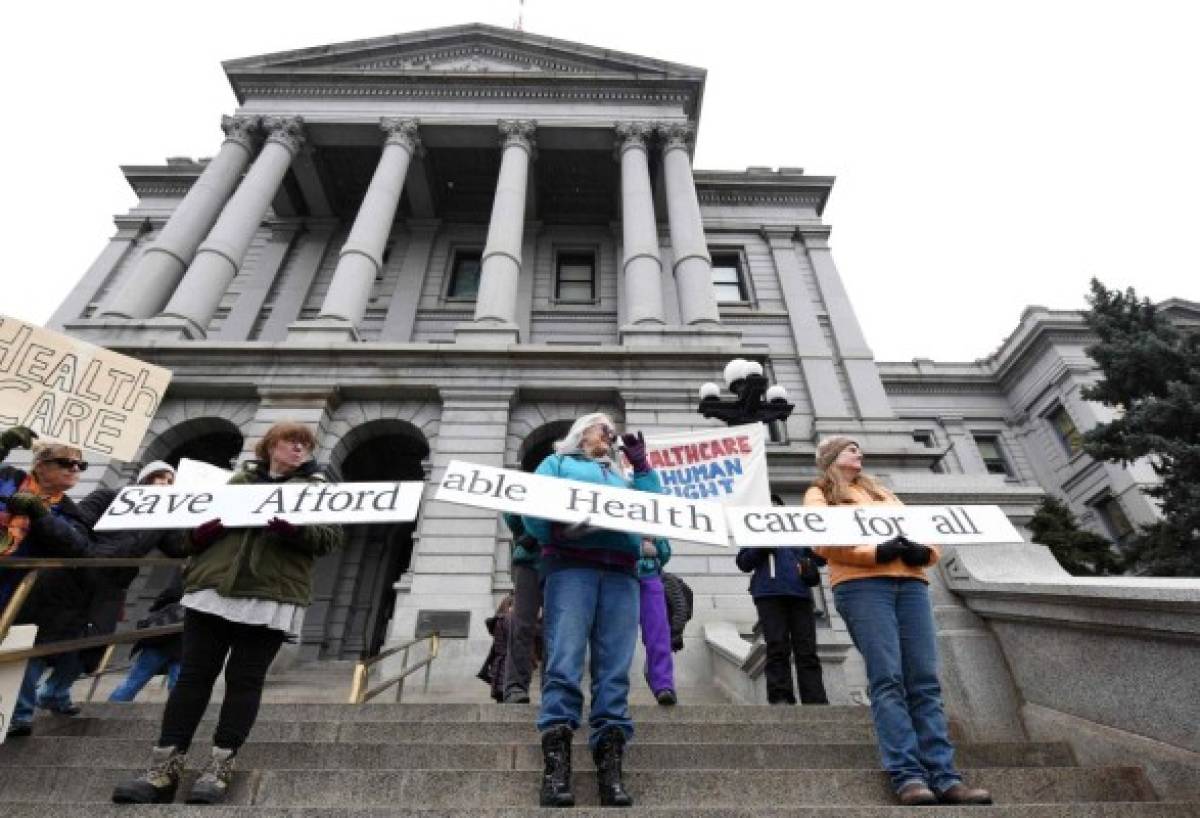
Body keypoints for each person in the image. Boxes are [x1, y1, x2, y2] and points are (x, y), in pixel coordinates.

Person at [112, 422, 344, 805]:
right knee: (192, 677)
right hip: (212, 591)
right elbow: (183, 537)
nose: (299, 449)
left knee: (244, 681)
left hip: (271, 594)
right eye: (291, 442)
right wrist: (198, 536)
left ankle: (220, 766)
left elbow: (330, 538)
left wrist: (295, 532)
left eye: (305, 444)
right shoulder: (230, 483)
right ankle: (163, 769)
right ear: (270, 446)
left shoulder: (317, 490)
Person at [805, 436, 992, 807]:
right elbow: (820, 539)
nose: (858, 452)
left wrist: (927, 552)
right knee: (888, 678)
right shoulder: (819, 493)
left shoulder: (883, 493)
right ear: (831, 458)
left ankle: (946, 777)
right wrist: (875, 551)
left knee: (924, 680)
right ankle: (907, 776)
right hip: (861, 586)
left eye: (859, 446)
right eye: (849, 448)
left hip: (911, 584)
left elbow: (922, 529)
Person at [523, 412, 662, 808]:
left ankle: (611, 768)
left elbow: (654, 510)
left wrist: (643, 466)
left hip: (621, 571)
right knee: (565, 662)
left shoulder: (624, 475)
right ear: (581, 433)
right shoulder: (559, 464)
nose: (611, 434)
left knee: (615, 668)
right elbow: (528, 506)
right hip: (571, 567)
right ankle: (556, 768)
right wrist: (553, 531)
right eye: (603, 427)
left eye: (613, 430)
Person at [37, 461, 187, 715]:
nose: (164, 483)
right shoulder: (109, 496)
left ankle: (55, 691)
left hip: (114, 583)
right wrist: (90, 553)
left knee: (95, 641)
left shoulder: (164, 518)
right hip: (79, 574)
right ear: (144, 479)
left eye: (170, 481)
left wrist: (202, 529)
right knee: (55, 635)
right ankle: (38, 700)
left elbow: (178, 548)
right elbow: (79, 520)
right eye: (159, 477)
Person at [2, 430, 95, 739]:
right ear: (40, 465)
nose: (74, 470)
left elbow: (77, 545)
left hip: (22, 592)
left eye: (80, 466)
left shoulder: (69, 510)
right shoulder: (9, 479)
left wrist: (39, 513)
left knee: (22, 650)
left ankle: (17, 714)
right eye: (65, 463)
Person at [735, 494, 828, 706]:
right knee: (777, 646)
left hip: (800, 595)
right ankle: (780, 697)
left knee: (807, 649)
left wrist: (810, 567)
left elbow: (820, 557)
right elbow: (743, 562)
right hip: (769, 594)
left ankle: (815, 700)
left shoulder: (798, 532)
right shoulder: (754, 532)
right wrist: (761, 547)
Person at [109, 570, 186, 701]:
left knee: (135, 680)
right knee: (178, 686)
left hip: (162, 639)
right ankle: (177, 717)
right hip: (184, 643)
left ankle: (110, 709)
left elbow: (167, 596)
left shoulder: (185, 575)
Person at [501, 513, 541, 704]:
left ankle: (552, 686)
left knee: (557, 629)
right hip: (529, 559)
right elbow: (511, 510)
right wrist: (529, 533)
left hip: (561, 561)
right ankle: (515, 687)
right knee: (521, 625)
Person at [637, 536, 676, 705]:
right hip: (619, 574)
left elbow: (665, 553)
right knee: (614, 638)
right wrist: (638, 548)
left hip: (649, 576)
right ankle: (609, 693)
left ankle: (664, 685)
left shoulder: (651, 513)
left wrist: (655, 540)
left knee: (658, 632)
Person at [482, 594, 514, 702]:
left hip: (500, 662)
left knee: (501, 695)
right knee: (506, 693)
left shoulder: (499, 620)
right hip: (507, 662)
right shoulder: (507, 619)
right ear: (509, 606)